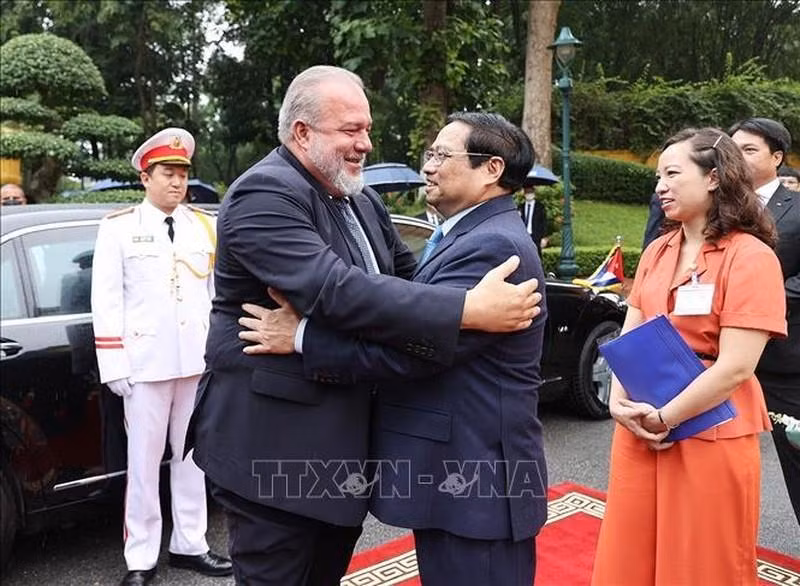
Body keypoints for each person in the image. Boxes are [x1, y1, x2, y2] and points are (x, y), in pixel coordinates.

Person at [185, 66, 541, 586]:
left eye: (367, 129)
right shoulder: (265, 191)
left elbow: (408, 282)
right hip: (274, 455)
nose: (366, 144)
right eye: (351, 130)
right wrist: (464, 309)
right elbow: (333, 290)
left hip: (337, 465)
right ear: (302, 132)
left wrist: (445, 306)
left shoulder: (358, 196)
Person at [592, 128, 787, 585]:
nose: (660, 185)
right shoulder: (659, 249)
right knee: (631, 549)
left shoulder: (751, 256)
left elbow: (738, 365)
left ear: (715, 178)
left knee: (699, 558)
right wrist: (620, 404)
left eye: (672, 173)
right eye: (658, 175)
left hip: (708, 423)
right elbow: (632, 328)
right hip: (641, 420)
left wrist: (667, 416)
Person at [90, 128, 232, 586]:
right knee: (144, 464)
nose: (177, 183)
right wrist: (115, 365)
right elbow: (106, 300)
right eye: (167, 173)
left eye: (182, 174)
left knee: (192, 459)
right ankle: (141, 557)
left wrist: (218, 356)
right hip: (145, 366)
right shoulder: (119, 228)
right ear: (144, 178)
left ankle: (190, 544)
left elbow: (215, 296)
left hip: (195, 362)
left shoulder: (202, 226)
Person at [729, 117, 800, 526]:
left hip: (783, 361)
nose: (737, 156)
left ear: (776, 157)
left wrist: (759, 305)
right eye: (732, 147)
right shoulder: (714, 205)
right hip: (717, 358)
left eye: (749, 149)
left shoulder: (796, 209)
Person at [518, 186, 547, 256]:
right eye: (527, 192)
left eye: (530, 192)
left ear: (534, 193)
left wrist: (544, 237)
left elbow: (544, 222)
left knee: (537, 256)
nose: (529, 194)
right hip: (523, 236)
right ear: (524, 194)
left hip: (536, 236)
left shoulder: (540, 207)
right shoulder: (520, 207)